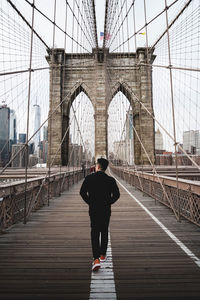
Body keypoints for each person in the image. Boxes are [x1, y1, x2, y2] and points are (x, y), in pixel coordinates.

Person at [80, 158, 120, 271]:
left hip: (94, 209)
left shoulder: (89, 178)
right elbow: (117, 195)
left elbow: (82, 192)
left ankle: (96, 258)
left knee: (95, 232)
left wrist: (90, 202)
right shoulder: (111, 180)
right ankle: (103, 254)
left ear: (97, 166)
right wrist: (109, 202)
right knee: (104, 230)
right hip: (106, 210)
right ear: (106, 167)